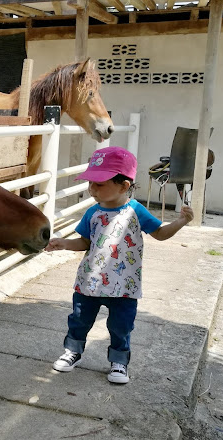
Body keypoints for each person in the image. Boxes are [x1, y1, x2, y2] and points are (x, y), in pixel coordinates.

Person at [45, 146, 194, 384]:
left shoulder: (136, 211)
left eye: (99, 184)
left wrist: (181, 221)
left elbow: (161, 233)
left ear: (124, 185)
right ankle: (73, 351)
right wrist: (63, 243)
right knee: (79, 319)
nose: (92, 189)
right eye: (90, 183)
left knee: (121, 326)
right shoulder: (92, 213)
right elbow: (84, 242)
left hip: (125, 286)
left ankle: (119, 362)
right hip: (90, 282)